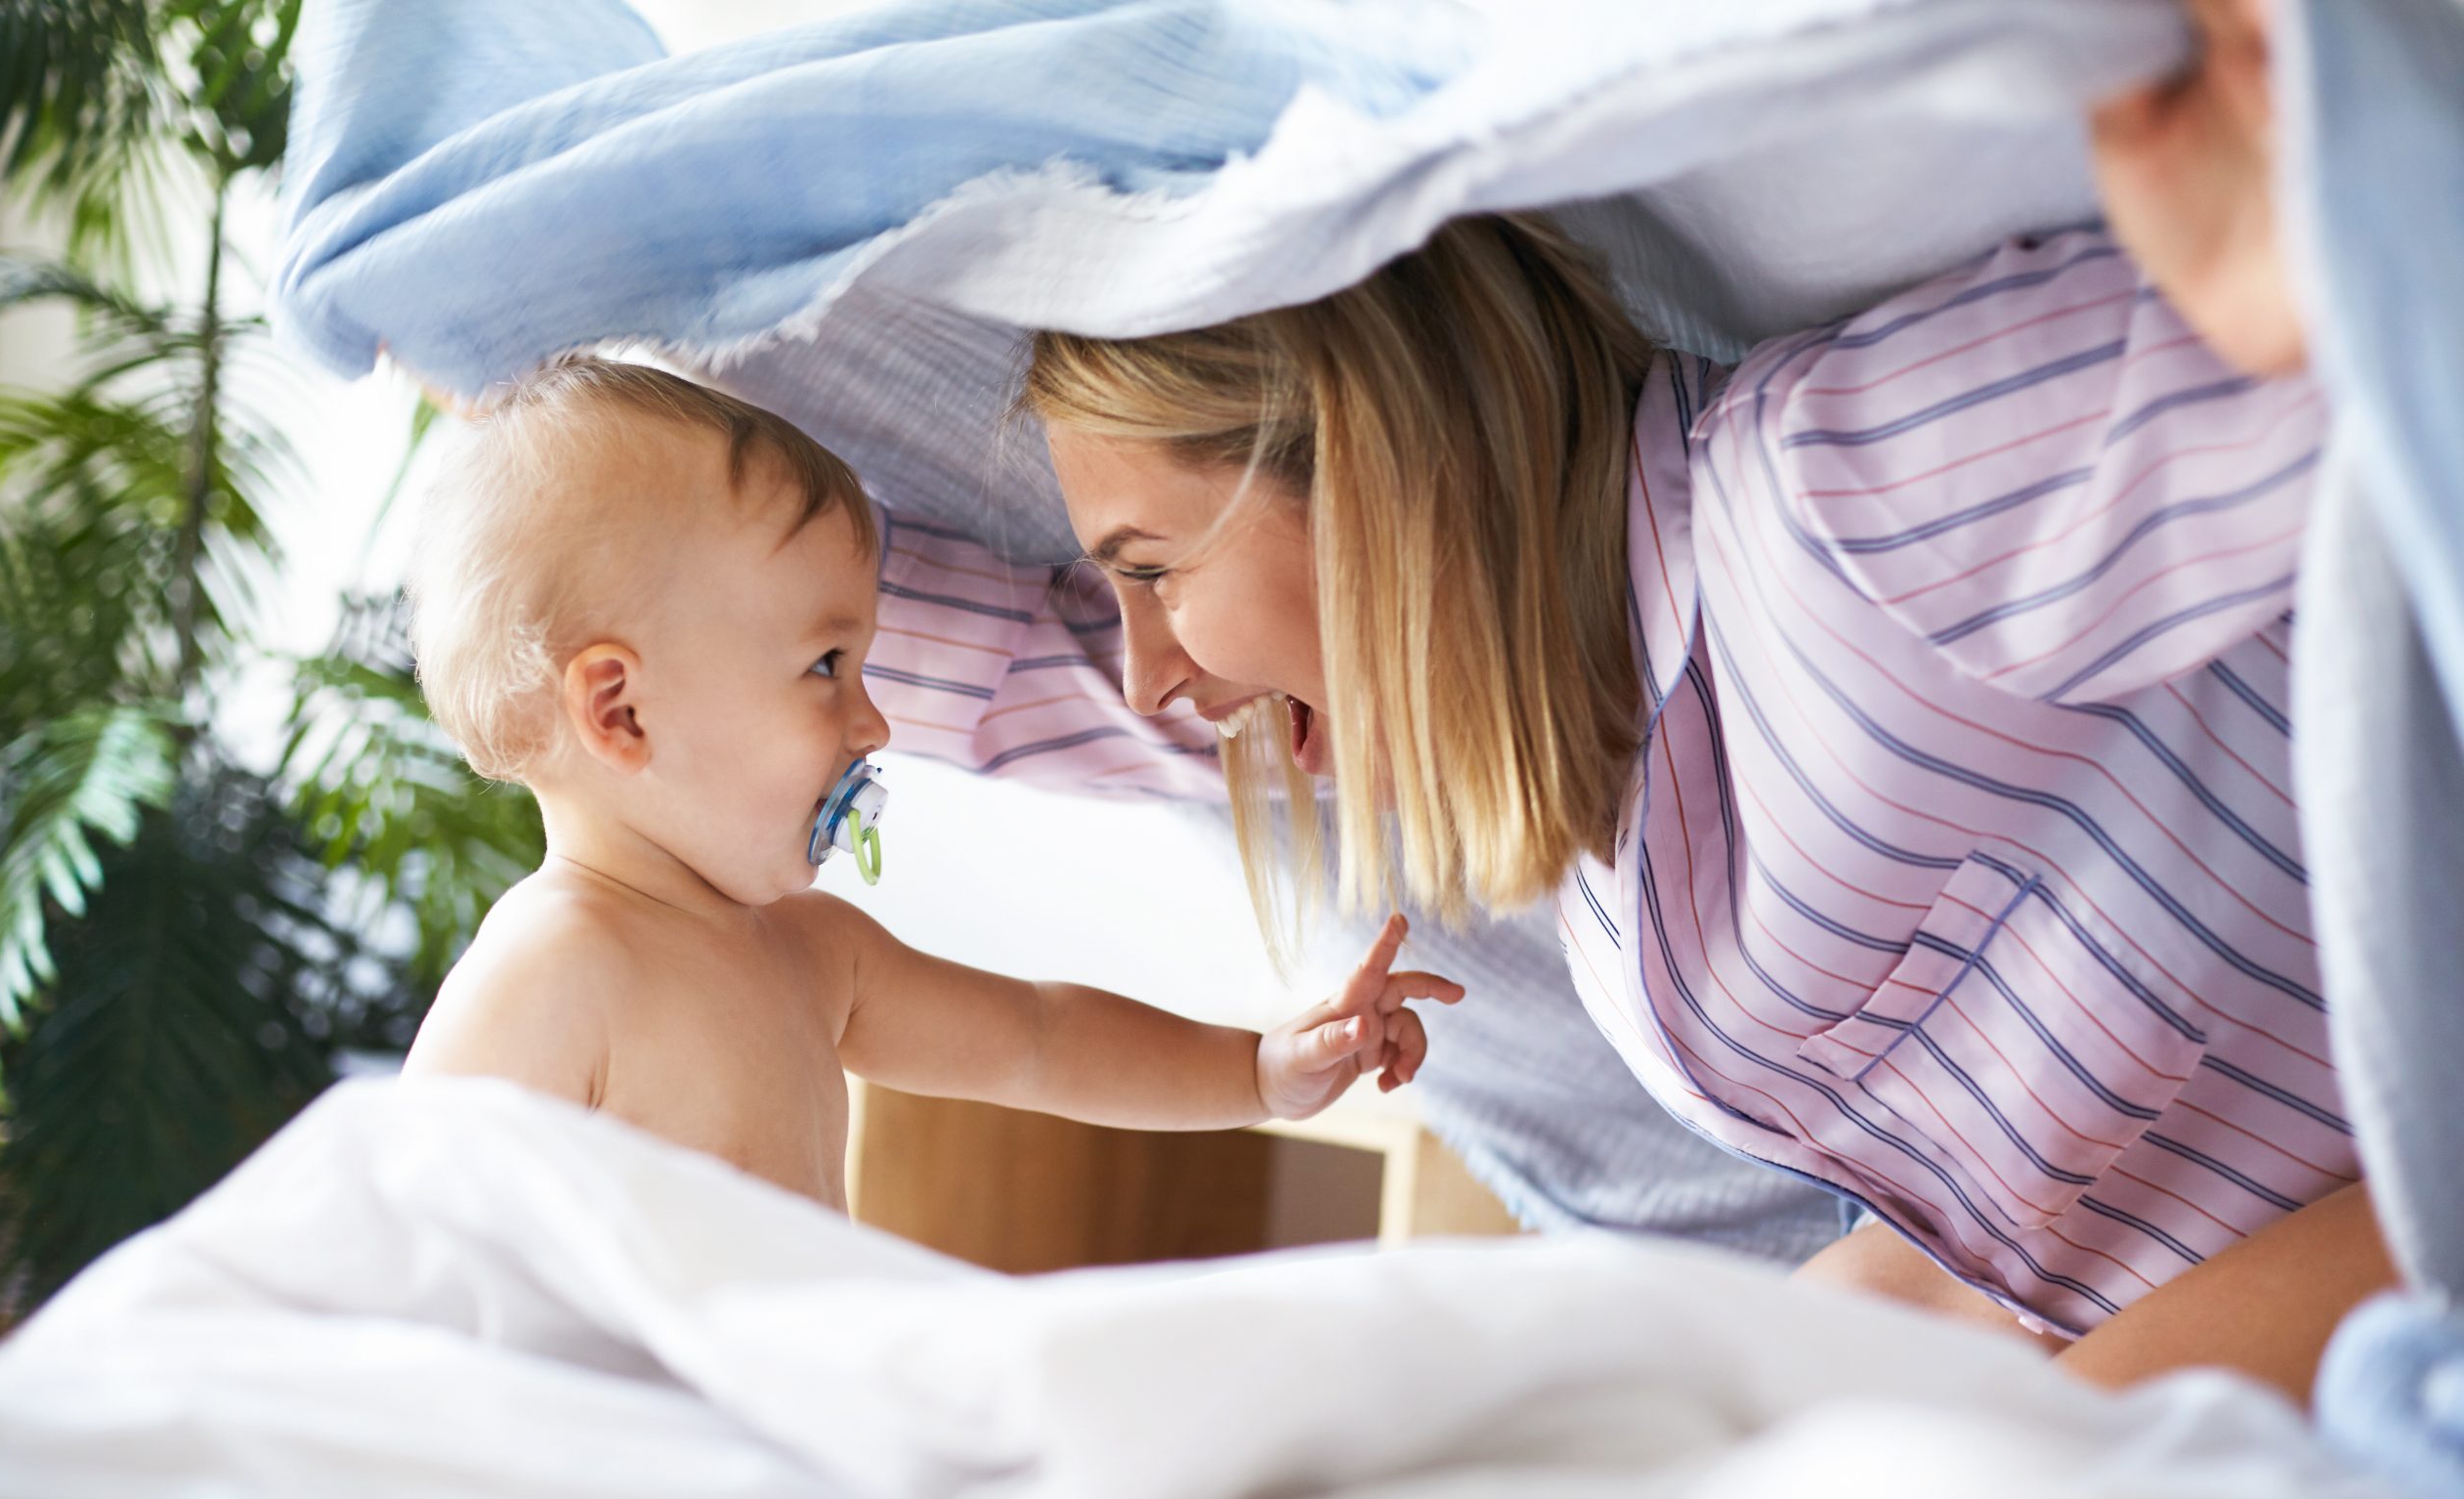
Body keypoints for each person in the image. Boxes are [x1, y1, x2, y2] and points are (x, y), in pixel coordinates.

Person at [853, 2, 2398, 1400]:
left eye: (1151, 568)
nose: (1147, 666)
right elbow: (2016, 1243)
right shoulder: (1601, 829)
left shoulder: (1824, 515)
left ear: (1369, 467)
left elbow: (2365, 341)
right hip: (2239, 1321)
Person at [396, 359, 1461, 1203]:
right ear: (621, 711)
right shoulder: (550, 976)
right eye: (824, 667)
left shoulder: (814, 955)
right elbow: (406, 1274)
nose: (874, 721)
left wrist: (1259, 1075)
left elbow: (1040, 1042)